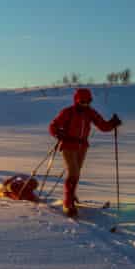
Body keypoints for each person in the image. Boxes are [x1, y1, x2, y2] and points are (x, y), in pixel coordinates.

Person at [49, 88, 121, 217]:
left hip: (82, 147)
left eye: (88, 101)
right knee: (73, 172)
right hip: (68, 145)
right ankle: (68, 202)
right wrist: (58, 133)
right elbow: (53, 126)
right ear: (77, 100)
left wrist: (112, 123)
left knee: (77, 173)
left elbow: (102, 126)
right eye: (83, 101)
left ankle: (71, 195)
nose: (86, 104)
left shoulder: (90, 112)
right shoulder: (68, 112)